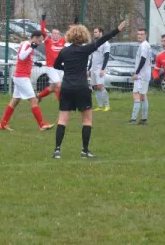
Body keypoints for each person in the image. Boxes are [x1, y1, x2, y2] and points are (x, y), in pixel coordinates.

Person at [51, 20, 126, 159]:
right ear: (84, 36)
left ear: (70, 36)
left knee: (62, 120)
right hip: (81, 88)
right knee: (87, 120)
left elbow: (55, 65)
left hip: (66, 88)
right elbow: (103, 40)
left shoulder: (64, 51)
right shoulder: (86, 49)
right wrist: (117, 30)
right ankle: (84, 151)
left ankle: (57, 150)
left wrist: (66, 68)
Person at [0, 30, 54, 132]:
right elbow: (21, 56)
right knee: (34, 100)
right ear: (35, 38)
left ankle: (2, 124)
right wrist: (31, 48)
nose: (40, 43)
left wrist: (35, 63)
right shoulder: (26, 45)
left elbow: (26, 58)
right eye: (39, 41)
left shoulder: (29, 46)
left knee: (15, 101)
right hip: (22, 77)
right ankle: (42, 125)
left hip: (21, 77)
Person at [36, 14, 66, 102]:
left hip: (59, 67)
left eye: (57, 34)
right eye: (54, 33)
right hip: (51, 67)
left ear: (59, 35)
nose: (56, 35)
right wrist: (43, 21)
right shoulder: (48, 41)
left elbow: (70, 34)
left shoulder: (62, 41)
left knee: (53, 87)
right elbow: (42, 32)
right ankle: (63, 104)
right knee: (58, 85)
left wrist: (74, 25)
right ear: (51, 34)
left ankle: (38, 96)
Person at [128, 28, 152, 125]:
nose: (139, 36)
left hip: (141, 75)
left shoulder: (144, 45)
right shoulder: (146, 45)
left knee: (136, 94)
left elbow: (143, 59)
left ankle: (134, 119)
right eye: (138, 34)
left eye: (141, 34)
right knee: (143, 96)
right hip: (145, 74)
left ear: (146, 35)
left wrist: (136, 73)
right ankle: (144, 119)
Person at [87, 27, 111, 111]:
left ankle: (107, 105)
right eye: (94, 32)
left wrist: (102, 69)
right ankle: (100, 106)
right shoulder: (95, 43)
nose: (94, 34)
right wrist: (88, 69)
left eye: (96, 32)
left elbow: (106, 57)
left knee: (100, 86)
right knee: (95, 87)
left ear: (101, 32)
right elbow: (92, 57)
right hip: (93, 68)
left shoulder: (106, 44)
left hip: (100, 68)